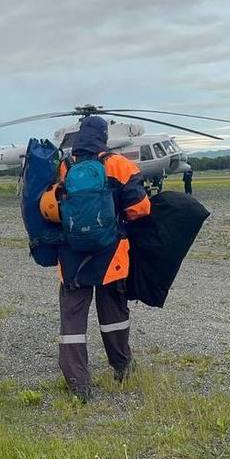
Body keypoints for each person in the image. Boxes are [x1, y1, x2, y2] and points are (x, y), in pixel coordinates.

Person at [56, 116, 151, 402]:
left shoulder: (64, 167)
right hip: (111, 254)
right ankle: (122, 366)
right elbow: (139, 208)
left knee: (72, 319)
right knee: (113, 315)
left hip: (72, 256)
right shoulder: (120, 165)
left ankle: (78, 382)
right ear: (104, 137)